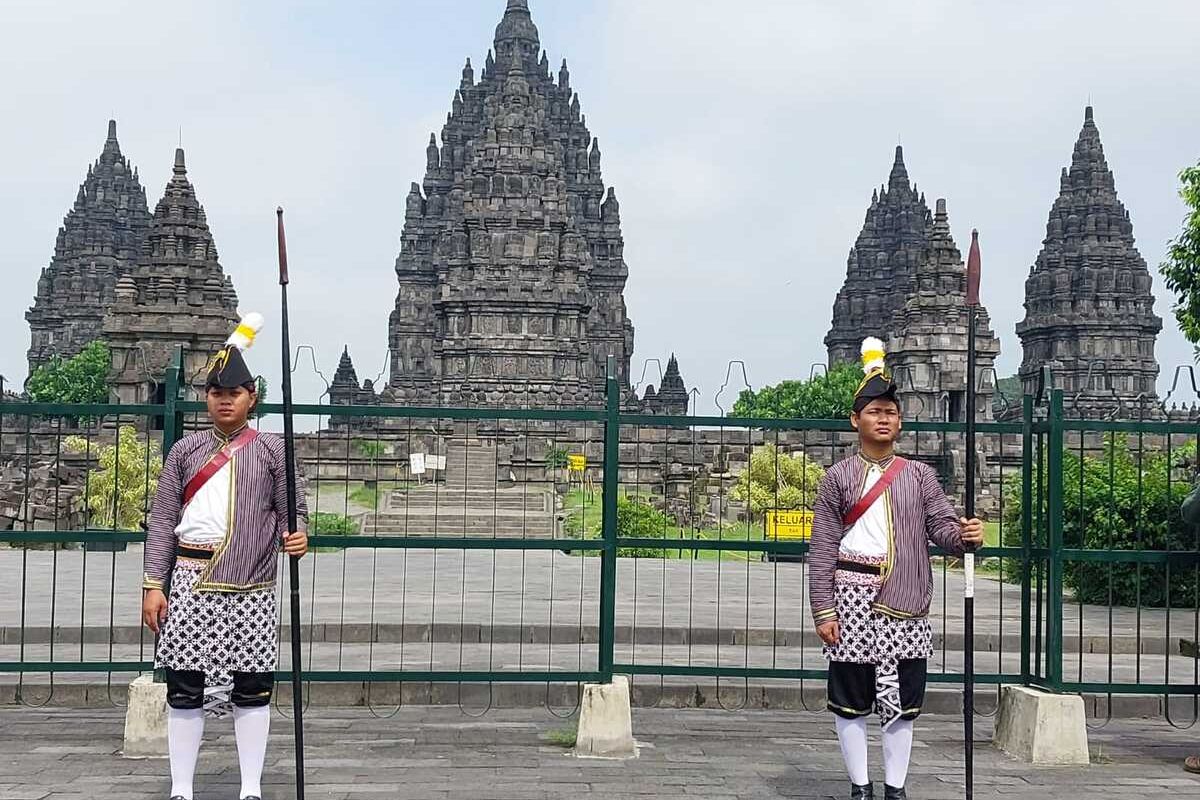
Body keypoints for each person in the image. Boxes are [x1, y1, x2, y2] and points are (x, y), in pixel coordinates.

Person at [808, 337, 984, 800]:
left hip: (904, 598)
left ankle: (896, 787)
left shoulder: (920, 476)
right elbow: (823, 547)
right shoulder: (837, 478)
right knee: (850, 699)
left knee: (902, 700)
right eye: (874, 412)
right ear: (856, 420)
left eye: (890, 412)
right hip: (850, 598)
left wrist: (965, 535)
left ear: (900, 421)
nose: (883, 418)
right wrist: (823, 610)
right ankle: (860, 785)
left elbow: (941, 527)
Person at [141, 314, 308, 800]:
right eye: (217, 393)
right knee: (185, 686)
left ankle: (251, 787)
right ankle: (181, 788)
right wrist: (153, 585)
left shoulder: (273, 449)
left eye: (235, 392)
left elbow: (292, 509)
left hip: (251, 582)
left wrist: (298, 535)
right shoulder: (185, 451)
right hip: (189, 580)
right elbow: (162, 520)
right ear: (206, 398)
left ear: (251, 397)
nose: (225, 400)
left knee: (251, 687)